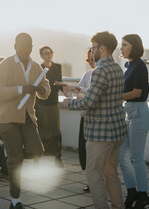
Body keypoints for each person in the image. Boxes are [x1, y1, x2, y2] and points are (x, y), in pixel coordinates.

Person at [63, 31, 127, 209]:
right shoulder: (117, 69)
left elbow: (89, 102)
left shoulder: (99, 71)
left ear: (102, 48)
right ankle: (118, 206)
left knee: (94, 174)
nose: (91, 52)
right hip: (117, 131)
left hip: (100, 134)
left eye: (93, 48)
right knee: (111, 173)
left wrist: (68, 103)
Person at [0, 33, 50, 209]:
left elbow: (46, 88)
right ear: (15, 45)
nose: (27, 49)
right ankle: (15, 200)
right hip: (7, 118)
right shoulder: (5, 65)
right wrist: (20, 89)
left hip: (28, 118)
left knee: (37, 152)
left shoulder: (36, 66)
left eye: (30, 45)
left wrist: (41, 89)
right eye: (23, 45)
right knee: (16, 160)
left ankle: (5, 152)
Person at [119, 34, 149, 209]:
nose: (121, 48)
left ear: (134, 46)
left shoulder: (139, 65)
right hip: (129, 112)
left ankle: (143, 195)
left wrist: (116, 97)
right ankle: (131, 191)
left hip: (139, 112)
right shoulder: (129, 65)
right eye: (121, 45)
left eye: (125, 45)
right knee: (121, 156)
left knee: (136, 157)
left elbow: (137, 92)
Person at [62, 48, 95, 192]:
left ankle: (100, 181)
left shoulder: (101, 73)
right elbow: (78, 92)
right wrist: (70, 91)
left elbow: (86, 92)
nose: (92, 62)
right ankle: (91, 181)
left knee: (96, 153)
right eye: (90, 60)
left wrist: (80, 91)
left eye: (94, 59)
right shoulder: (87, 74)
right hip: (86, 116)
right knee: (85, 150)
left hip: (97, 118)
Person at [34, 46, 64, 167]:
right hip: (41, 103)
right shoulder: (39, 68)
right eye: (45, 53)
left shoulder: (58, 67)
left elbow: (59, 83)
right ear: (41, 55)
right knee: (40, 130)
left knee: (56, 131)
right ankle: (37, 158)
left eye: (50, 52)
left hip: (54, 102)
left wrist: (66, 89)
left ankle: (57, 156)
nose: (48, 55)